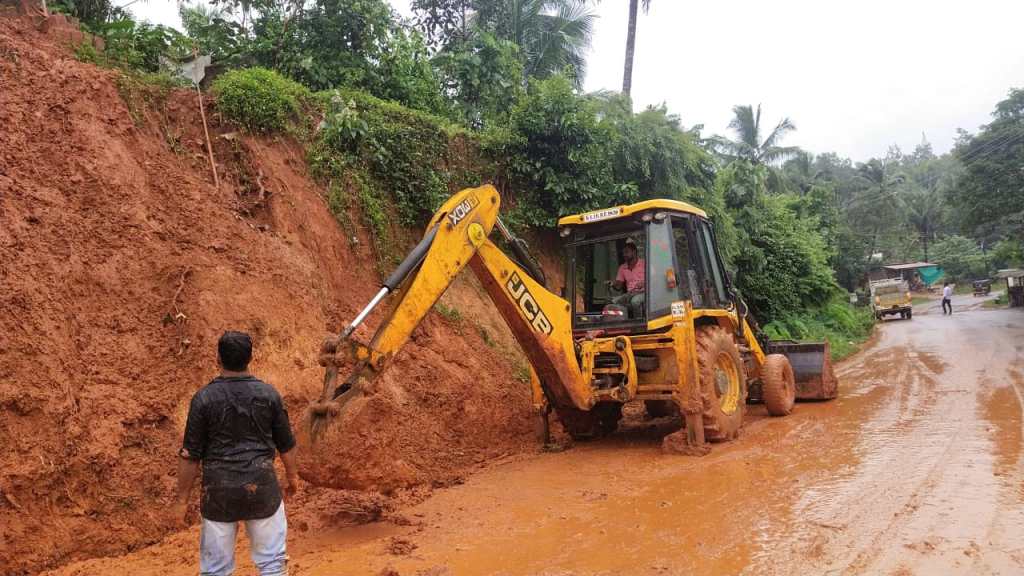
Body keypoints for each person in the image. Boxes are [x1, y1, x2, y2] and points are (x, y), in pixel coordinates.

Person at [174, 331, 298, 576]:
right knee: (272, 564)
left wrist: (181, 500)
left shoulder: (203, 399)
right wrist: (293, 477)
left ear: (217, 359)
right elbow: (287, 445)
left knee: (216, 570)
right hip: (262, 489)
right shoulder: (268, 395)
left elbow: (190, 455)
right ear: (250, 358)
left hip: (219, 493)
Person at [609, 238, 645, 313]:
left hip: (644, 292)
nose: (624, 255)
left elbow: (654, 279)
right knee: (612, 303)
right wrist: (613, 283)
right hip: (630, 294)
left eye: (626, 252)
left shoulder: (644, 264)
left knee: (635, 301)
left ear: (634, 252)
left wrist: (644, 283)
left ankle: (638, 321)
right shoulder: (622, 268)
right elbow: (619, 285)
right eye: (623, 253)